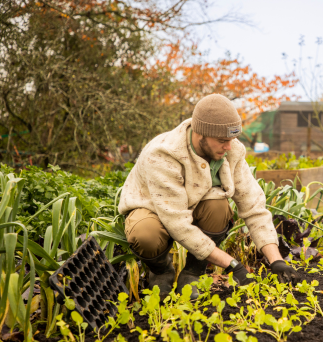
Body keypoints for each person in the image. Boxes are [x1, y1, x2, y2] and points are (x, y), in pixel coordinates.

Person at [118, 94, 299, 299]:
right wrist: (233, 265)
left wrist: (276, 260)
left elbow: (253, 206)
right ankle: (161, 272)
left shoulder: (231, 151)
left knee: (218, 207)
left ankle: (192, 273)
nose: (229, 147)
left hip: (194, 205)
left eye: (231, 139)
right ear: (200, 134)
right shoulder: (163, 154)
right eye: (222, 141)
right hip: (151, 208)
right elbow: (177, 224)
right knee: (145, 233)